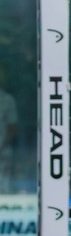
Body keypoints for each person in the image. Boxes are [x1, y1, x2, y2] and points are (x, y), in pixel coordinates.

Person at [0, 64, 17, 194]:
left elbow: (12, 127)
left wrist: (2, 145)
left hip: (3, 153)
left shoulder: (7, 100)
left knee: (4, 189)